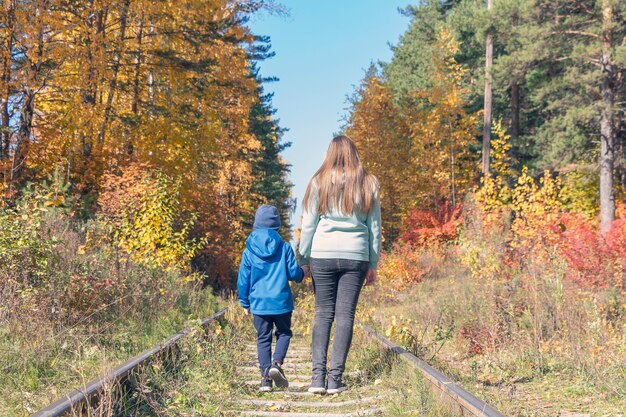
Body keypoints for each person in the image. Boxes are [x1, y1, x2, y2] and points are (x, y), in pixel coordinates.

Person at [298, 136, 381, 394]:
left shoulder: (318, 181)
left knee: (323, 314)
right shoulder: (368, 182)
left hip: (322, 254)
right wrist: (373, 263)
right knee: (345, 316)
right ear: (354, 153)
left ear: (330, 154)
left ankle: (316, 380)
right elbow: (374, 227)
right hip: (356, 255)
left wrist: (303, 258)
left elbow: (309, 224)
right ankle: (334, 380)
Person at [237, 205, 305, 392]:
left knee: (263, 339)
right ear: (277, 225)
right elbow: (293, 273)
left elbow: (243, 278)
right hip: (281, 302)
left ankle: (265, 379)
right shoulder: (284, 247)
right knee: (284, 333)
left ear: (256, 225)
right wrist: (302, 273)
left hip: (259, 303)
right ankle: (276, 363)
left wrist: (245, 301)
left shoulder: (249, 250)